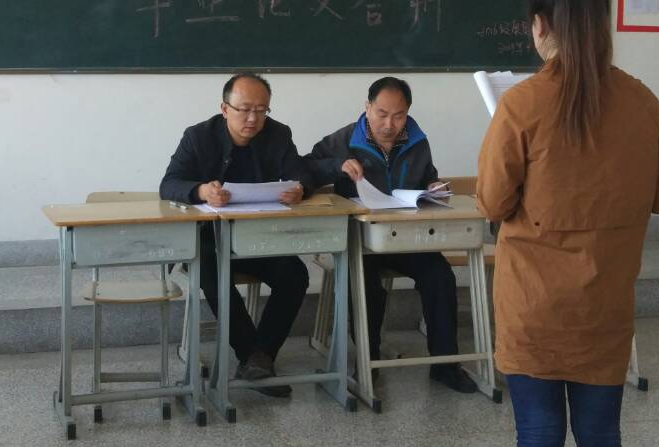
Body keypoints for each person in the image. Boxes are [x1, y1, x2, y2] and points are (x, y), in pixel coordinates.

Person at [477, 0, 659, 447]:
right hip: (605, 304)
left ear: (540, 25)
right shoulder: (642, 102)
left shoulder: (522, 105)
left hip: (533, 306)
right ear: (603, 23)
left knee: (539, 432)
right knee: (601, 433)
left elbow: (493, 201)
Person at [306, 76, 478, 394]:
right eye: (382, 114)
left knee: (440, 277)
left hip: (407, 237)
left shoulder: (417, 141)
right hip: (361, 239)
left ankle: (445, 364)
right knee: (365, 283)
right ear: (367, 107)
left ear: (407, 112)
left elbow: (427, 176)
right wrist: (337, 165)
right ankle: (367, 361)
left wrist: (433, 186)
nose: (389, 124)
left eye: (398, 116)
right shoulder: (345, 138)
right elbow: (304, 170)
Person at [159, 72, 310, 397]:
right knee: (214, 274)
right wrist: (201, 191)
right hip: (209, 240)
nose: (253, 119)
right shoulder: (199, 136)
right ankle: (252, 356)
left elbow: (300, 174)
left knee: (295, 274)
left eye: (261, 110)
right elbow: (169, 185)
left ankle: (260, 357)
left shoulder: (278, 134)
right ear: (225, 108)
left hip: (258, 235)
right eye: (244, 109)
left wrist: (299, 189)